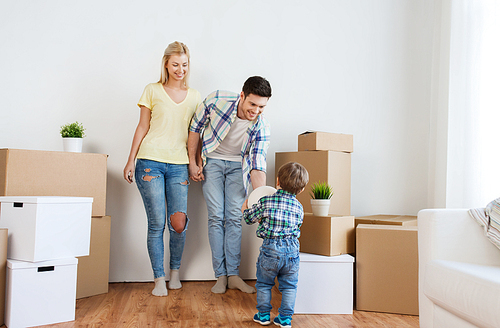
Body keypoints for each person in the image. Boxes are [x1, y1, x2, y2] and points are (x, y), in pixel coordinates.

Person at [123, 41, 201, 297]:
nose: (181, 70)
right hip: (149, 162)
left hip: (179, 165)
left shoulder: (195, 96)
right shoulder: (152, 90)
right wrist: (130, 159)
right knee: (156, 223)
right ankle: (158, 278)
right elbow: (142, 127)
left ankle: (175, 272)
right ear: (166, 64)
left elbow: (196, 134)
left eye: (185, 65)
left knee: (178, 223)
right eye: (176, 64)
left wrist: (195, 162)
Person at [187, 76, 272, 294]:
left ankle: (233, 275)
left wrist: (260, 201)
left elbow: (257, 165)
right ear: (242, 96)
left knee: (234, 218)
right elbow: (195, 126)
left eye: (262, 106)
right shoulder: (217, 100)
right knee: (216, 217)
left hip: (239, 168)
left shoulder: (261, 126)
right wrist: (193, 162)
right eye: (252, 104)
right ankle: (220, 276)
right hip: (212, 161)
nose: (256, 111)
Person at [241, 162, 309, 328]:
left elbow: (249, 219)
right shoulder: (299, 208)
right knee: (289, 286)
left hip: (270, 249)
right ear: (301, 189)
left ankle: (263, 315)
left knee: (264, 284)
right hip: (292, 250)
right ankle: (285, 318)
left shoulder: (266, 201)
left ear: (277, 180)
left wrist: (245, 207)